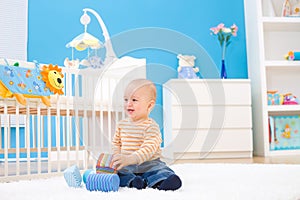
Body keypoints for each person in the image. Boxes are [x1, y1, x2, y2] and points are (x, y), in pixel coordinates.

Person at [112, 78, 182, 191]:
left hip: (149, 163)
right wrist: (117, 158)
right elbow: (116, 143)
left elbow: (149, 148)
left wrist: (132, 158)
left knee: (161, 170)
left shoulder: (151, 127)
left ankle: (163, 181)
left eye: (134, 100)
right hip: (127, 165)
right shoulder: (121, 125)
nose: (128, 103)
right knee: (119, 173)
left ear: (149, 106)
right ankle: (134, 182)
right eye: (126, 99)